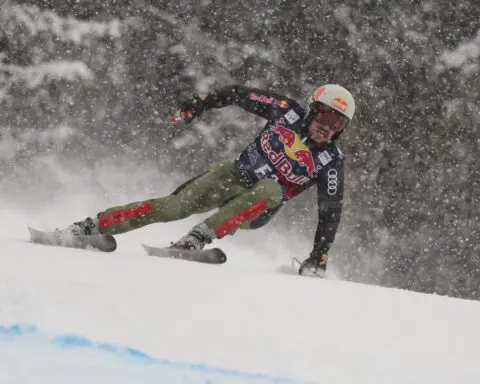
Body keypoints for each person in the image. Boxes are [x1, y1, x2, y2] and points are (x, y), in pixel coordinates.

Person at [65, 84, 355, 277]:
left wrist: (319, 255)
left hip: (259, 205)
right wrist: (203, 103)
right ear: (313, 109)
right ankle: (90, 226)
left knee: (270, 188)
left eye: (337, 124)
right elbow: (240, 95)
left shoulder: (331, 160)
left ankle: (196, 239)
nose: (327, 128)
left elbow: (331, 211)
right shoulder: (286, 111)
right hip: (233, 175)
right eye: (325, 117)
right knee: (172, 208)